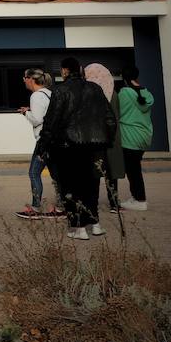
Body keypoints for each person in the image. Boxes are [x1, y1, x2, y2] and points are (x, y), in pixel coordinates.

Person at [37, 58, 116, 240]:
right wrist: (107, 141)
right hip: (95, 146)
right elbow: (110, 119)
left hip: (68, 147)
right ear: (80, 69)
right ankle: (95, 224)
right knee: (91, 186)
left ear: (64, 71)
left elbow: (52, 122)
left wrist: (43, 145)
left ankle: (78, 227)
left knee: (71, 186)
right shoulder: (95, 89)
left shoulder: (60, 91)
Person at [15, 68, 58, 219]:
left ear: (30, 79)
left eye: (24, 78)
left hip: (44, 141)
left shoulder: (36, 96)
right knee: (56, 174)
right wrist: (30, 110)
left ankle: (36, 208)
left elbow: (38, 119)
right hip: (54, 140)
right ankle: (61, 207)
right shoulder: (48, 93)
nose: (24, 81)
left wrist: (26, 113)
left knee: (33, 173)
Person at [86, 63, 125, 224]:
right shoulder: (114, 93)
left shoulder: (90, 94)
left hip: (95, 138)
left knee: (94, 173)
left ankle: (91, 205)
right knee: (111, 172)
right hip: (112, 137)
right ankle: (114, 203)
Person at [115, 66, 155, 211]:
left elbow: (117, 111)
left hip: (130, 137)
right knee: (134, 168)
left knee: (133, 171)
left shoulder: (124, 93)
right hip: (144, 136)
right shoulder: (146, 93)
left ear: (123, 78)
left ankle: (140, 200)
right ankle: (136, 197)